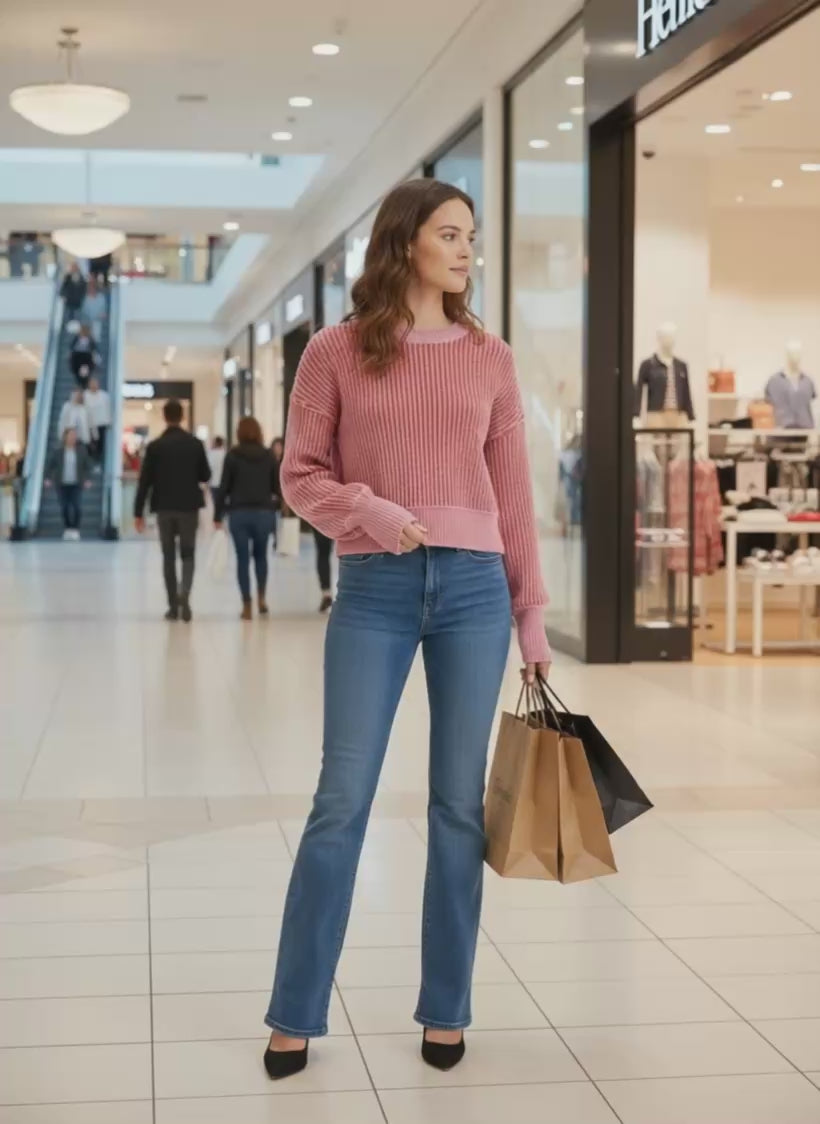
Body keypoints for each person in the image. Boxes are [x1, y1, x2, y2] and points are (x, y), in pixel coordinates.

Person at [263, 179, 550, 1081]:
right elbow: (300, 475)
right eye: (450, 234)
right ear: (405, 242)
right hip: (374, 590)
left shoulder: (490, 357)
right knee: (341, 800)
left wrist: (532, 619)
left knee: (458, 808)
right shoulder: (335, 351)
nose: (467, 250)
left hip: (474, 593)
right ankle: (295, 1010)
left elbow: (514, 497)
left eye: (471, 236)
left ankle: (446, 1008)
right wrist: (372, 512)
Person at [133, 399, 211, 621]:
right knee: (188, 554)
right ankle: (185, 594)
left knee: (168, 556)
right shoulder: (195, 445)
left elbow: (144, 481)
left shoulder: (155, 447)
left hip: (164, 507)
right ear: (182, 417)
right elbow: (205, 475)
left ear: (165, 417)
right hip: (188, 508)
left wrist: (138, 512)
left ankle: (172, 605)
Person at [213, 417, 279, 619]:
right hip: (263, 514)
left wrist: (217, 515)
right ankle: (262, 598)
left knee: (242, 559)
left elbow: (224, 487)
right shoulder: (268, 456)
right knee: (261, 557)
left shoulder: (232, 456)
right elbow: (277, 486)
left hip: (239, 514)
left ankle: (246, 604)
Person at [45, 428, 91, 541]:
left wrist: (87, 479)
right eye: (70, 435)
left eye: (74, 435)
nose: (72, 438)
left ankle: (75, 529)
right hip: (62, 484)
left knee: (77, 506)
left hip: (76, 484)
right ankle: (68, 528)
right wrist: (48, 478)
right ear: (65, 437)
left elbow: (87, 466)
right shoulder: (58, 452)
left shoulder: (81, 451)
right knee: (64, 507)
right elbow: (50, 465)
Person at [84, 377, 112, 466]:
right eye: (92, 384)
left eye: (95, 383)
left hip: (101, 424)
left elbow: (108, 409)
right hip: (89, 424)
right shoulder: (85, 395)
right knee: (88, 443)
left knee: (100, 444)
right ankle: (88, 462)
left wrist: (109, 421)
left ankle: (97, 462)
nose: (93, 386)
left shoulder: (104, 396)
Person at [70, 325, 98, 389]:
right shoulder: (76, 338)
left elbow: (93, 348)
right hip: (77, 358)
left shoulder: (90, 339)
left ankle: (84, 386)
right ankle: (80, 386)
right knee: (78, 374)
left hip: (86, 359)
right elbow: (71, 346)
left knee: (84, 374)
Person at [81, 276, 107, 344]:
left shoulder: (101, 297)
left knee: (96, 328)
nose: (91, 289)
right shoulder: (86, 298)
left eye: (92, 288)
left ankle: (95, 342)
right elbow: (84, 310)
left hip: (97, 320)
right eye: (90, 288)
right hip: (87, 320)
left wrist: (100, 315)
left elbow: (103, 309)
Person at [269, 437, 284, 549]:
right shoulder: (269, 461)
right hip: (274, 494)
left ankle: (282, 539)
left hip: (284, 493)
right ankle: (276, 538)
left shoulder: (285, 461)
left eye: (280, 446)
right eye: (276, 446)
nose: (278, 449)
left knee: (283, 518)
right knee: (274, 517)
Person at [207, 436, 226, 512]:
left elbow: (208, 469)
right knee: (223, 503)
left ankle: (218, 515)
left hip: (213, 483)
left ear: (215, 443)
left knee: (216, 503)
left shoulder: (210, 454)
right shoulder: (225, 454)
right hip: (224, 483)